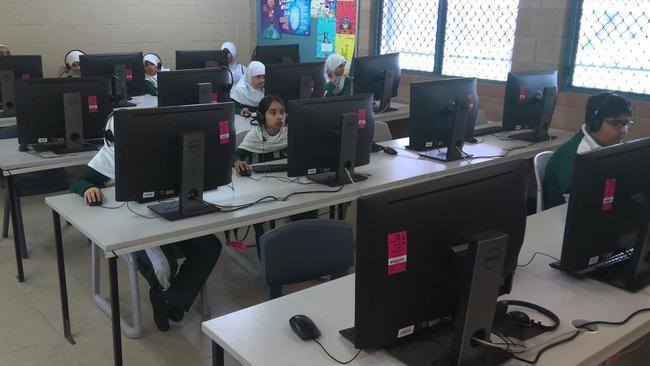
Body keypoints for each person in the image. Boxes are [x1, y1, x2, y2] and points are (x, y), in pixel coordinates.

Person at [69, 116, 221, 332]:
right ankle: (164, 294)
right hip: (131, 222)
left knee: (209, 246)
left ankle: (172, 300)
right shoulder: (108, 157)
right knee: (162, 265)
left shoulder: (158, 150)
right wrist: (87, 189)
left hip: (165, 211)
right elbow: (80, 180)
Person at [543, 92, 632, 209]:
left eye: (626, 124)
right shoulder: (577, 154)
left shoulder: (612, 146)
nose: (623, 131)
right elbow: (577, 205)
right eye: (616, 124)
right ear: (595, 123)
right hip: (562, 220)